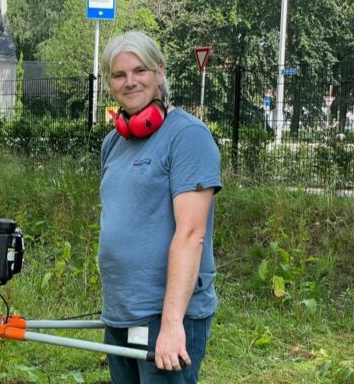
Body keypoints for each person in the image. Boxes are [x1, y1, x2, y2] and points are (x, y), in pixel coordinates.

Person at [98, 31, 222, 383]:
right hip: (122, 313)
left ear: (159, 73)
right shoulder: (113, 143)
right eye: (119, 75)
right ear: (110, 83)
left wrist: (171, 325)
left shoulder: (188, 137)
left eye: (140, 71)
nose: (130, 81)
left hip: (166, 316)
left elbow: (191, 234)